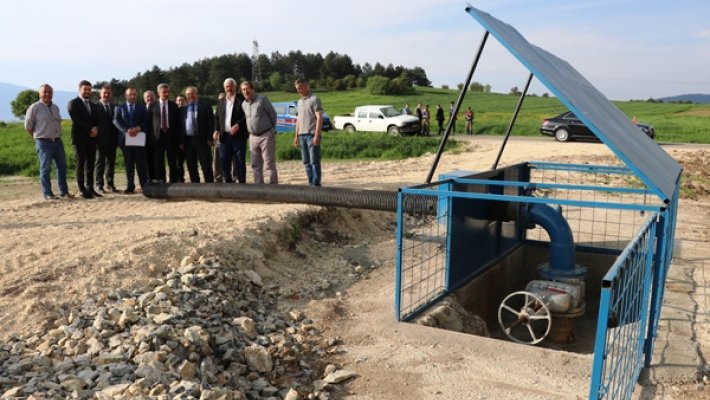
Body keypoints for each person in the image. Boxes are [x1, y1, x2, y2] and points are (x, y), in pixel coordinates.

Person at [24, 84, 71, 200]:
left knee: (62, 167)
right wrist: (37, 137)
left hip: (57, 142)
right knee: (45, 168)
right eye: (44, 92)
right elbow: (28, 127)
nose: (47, 94)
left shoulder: (55, 107)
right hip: (43, 142)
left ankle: (64, 192)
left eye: (49, 92)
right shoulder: (34, 108)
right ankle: (48, 193)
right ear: (39, 93)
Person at [67, 80, 100, 198]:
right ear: (79, 89)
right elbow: (77, 120)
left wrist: (96, 128)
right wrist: (90, 129)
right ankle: (81, 189)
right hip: (79, 139)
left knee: (90, 164)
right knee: (80, 164)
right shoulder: (73, 103)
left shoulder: (93, 105)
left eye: (89, 89)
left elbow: (97, 119)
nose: (87, 91)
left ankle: (90, 188)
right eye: (85, 89)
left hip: (92, 139)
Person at [241, 80, 278, 184]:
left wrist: (272, 129)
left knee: (269, 163)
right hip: (252, 137)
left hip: (266, 135)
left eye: (247, 88)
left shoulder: (262, 99)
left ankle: (274, 187)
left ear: (252, 89)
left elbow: (273, 114)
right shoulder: (244, 104)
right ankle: (259, 187)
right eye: (243, 89)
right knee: (255, 164)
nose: (245, 91)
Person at [113, 87, 149, 193]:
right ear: (126, 95)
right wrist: (126, 130)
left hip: (139, 140)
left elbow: (146, 121)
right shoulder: (119, 108)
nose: (132, 96)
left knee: (141, 164)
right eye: (130, 94)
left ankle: (144, 185)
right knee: (128, 164)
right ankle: (130, 186)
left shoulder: (142, 108)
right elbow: (115, 120)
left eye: (134, 94)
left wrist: (138, 128)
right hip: (126, 140)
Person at [213, 79, 248, 183]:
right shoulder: (221, 101)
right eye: (227, 87)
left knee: (239, 161)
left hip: (238, 137)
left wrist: (238, 125)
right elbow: (217, 117)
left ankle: (241, 183)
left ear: (235, 87)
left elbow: (248, 115)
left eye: (231, 86)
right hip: (224, 137)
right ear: (224, 88)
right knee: (224, 161)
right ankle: (228, 184)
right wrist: (216, 130)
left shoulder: (242, 99)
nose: (229, 88)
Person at [293, 79, 323, 186]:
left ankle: (316, 184)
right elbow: (298, 120)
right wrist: (296, 136)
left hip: (311, 134)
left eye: (300, 88)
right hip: (301, 135)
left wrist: (316, 136)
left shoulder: (314, 99)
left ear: (307, 86)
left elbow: (319, 118)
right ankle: (310, 182)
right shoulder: (299, 102)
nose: (299, 90)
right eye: (297, 89)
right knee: (306, 162)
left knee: (314, 161)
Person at [150, 83, 183, 183]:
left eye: (168, 92)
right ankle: (161, 182)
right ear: (158, 93)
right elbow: (149, 123)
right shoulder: (152, 106)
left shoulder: (174, 106)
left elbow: (179, 124)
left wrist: (180, 140)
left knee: (172, 161)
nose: (166, 94)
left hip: (171, 136)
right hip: (157, 137)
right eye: (164, 92)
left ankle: (173, 181)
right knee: (159, 161)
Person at [183, 86, 214, 183]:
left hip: (203, 139)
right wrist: (181, 141)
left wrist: (210, 138)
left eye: (193, 93)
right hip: (188, 141)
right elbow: (181, 126)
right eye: (188, 94)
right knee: (191, 165)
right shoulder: (183, 109)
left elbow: (211, 123)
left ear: (197, 94)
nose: (191, 96)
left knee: (206, 163)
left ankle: (209, 185)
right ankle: (195, 185)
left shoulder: (205, 106)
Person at [95, 84, 119, 193]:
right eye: (104, 93)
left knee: (111, 163)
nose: (106, 95)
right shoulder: (95, 107)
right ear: (100, 94)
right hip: (100, 141)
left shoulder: (115, 107)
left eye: (108, 93)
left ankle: (110, 184)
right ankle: (99, 185)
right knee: (100, 163)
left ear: (111, 94)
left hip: (112, 140)